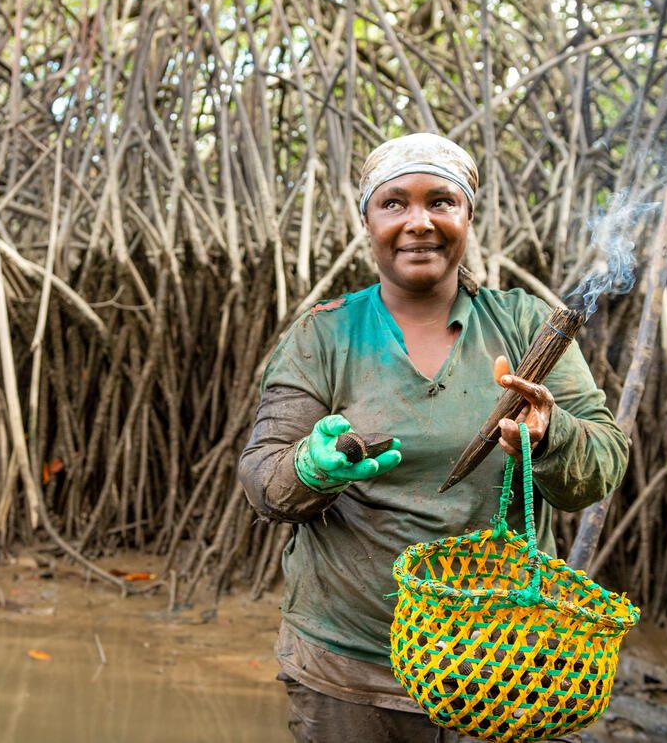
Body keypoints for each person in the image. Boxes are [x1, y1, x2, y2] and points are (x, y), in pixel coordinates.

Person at [238, 133, 629, 743]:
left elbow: (601, 466)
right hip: (350, 664)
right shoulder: (322, 335)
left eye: (441, 202)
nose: (419, 222)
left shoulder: (528, 324)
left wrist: (551, 433)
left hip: (508, 667)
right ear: (367, 219)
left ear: (468, 216)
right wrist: (313, 468)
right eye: (395, 203)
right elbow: (264, 481)